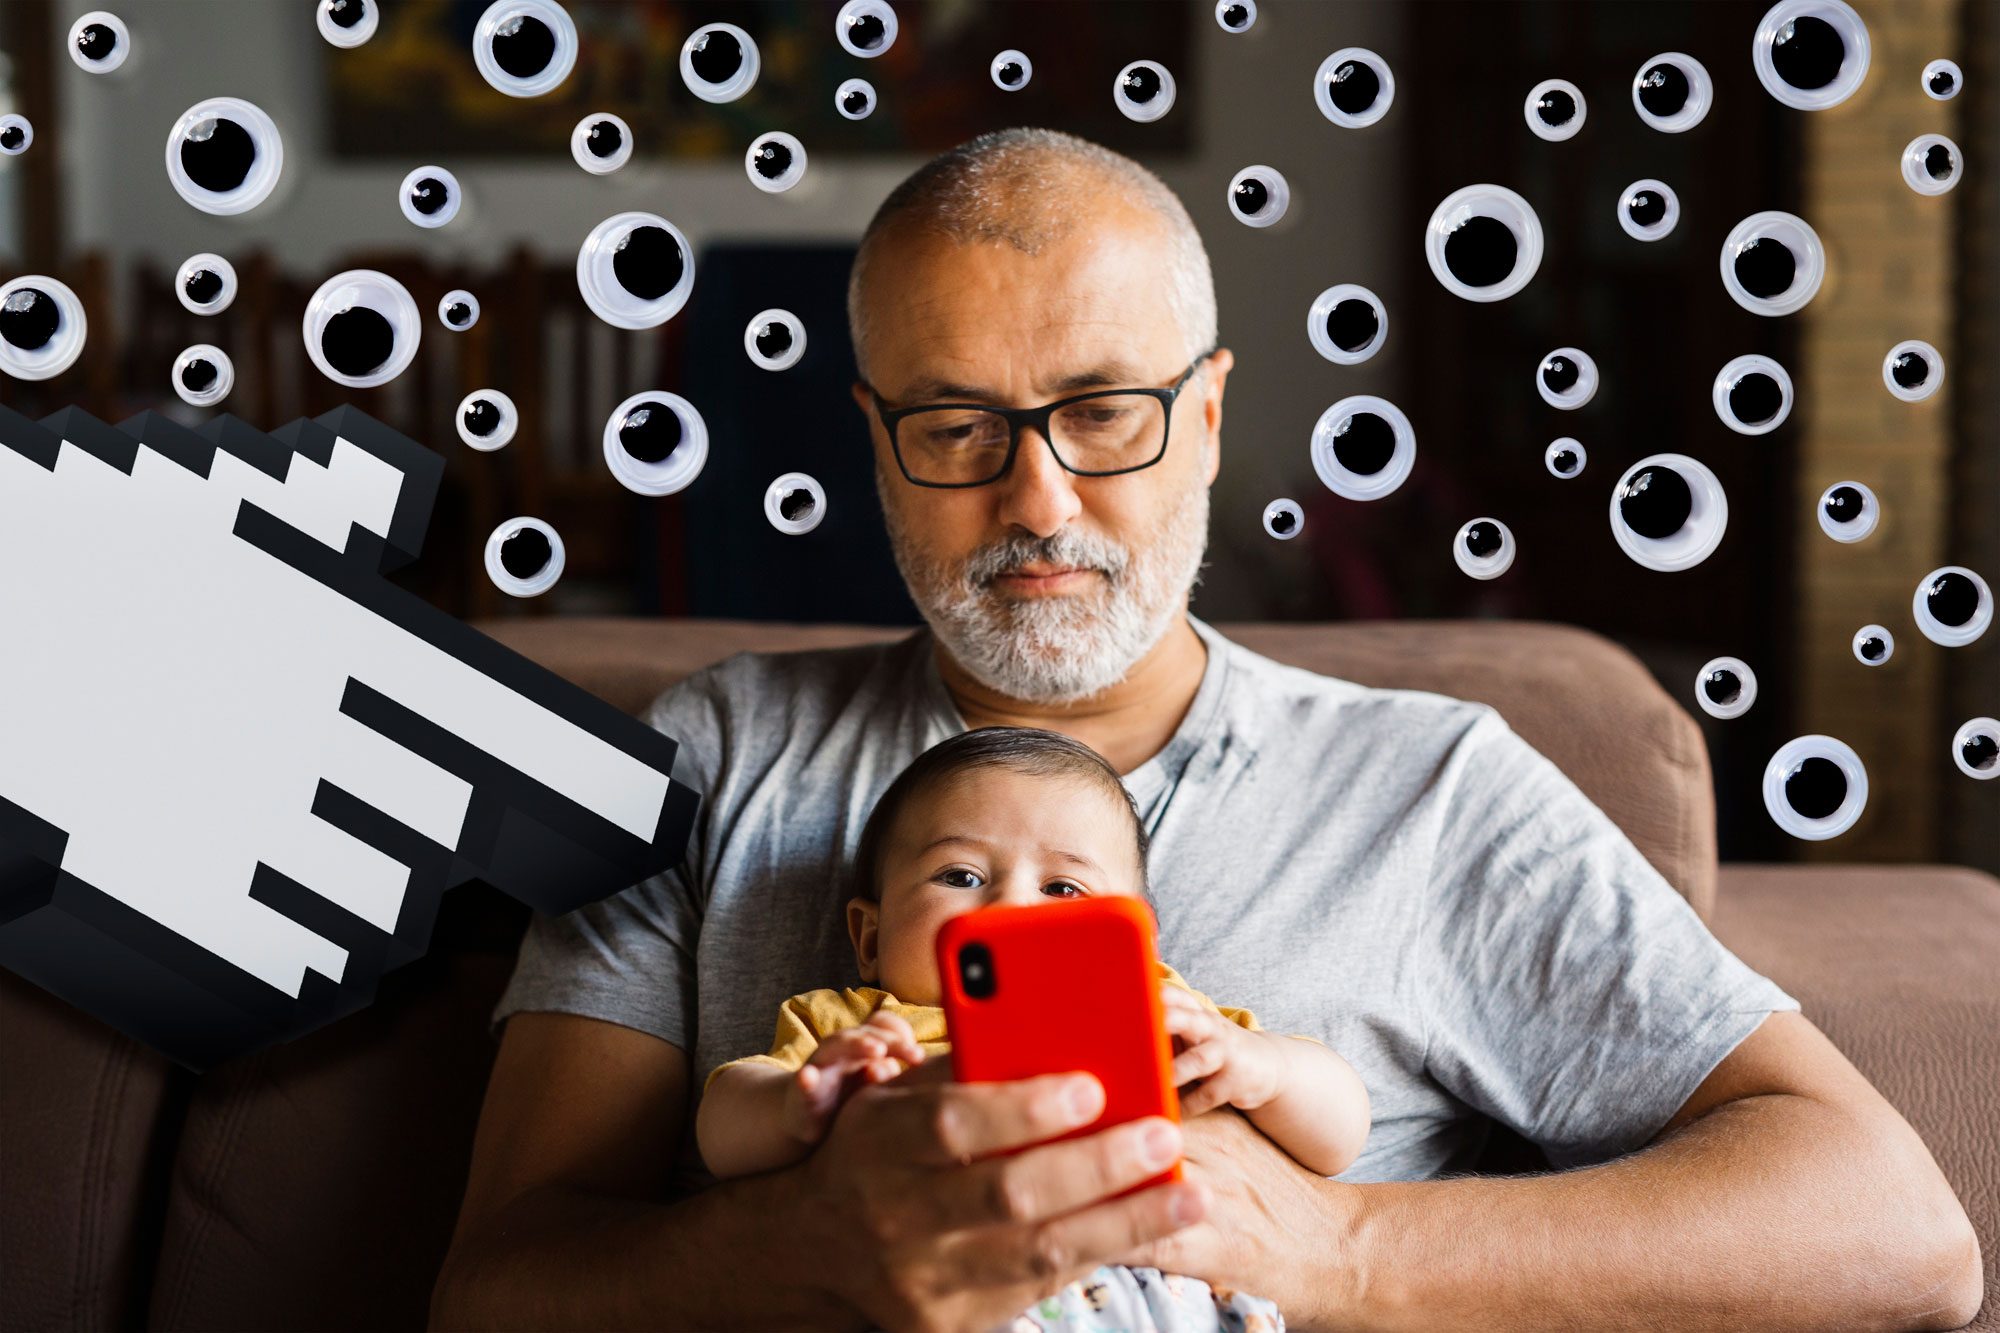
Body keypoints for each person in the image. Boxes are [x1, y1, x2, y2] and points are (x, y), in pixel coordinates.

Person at [432, 127, 1982, 1331]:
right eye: (956, 427)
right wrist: (804, 1249)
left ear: (1213, 413)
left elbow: (1897, 1230)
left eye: (1105, 411)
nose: (1037, 502)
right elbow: (494, 1295)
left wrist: (1335, 1248)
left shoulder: (1427, 789)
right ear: (873, 447)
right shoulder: (712, 758)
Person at [696, 726, 1370, 1332]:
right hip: (949, 1290)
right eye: (961, 875)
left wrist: (1268, 1067)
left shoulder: (1163, 1008)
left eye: (1064, 888)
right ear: (870, 937)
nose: (1012, 905)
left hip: (1166, 1288)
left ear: (1137, 938)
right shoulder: (860, 1025)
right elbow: (722, 1130)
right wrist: (797, 1102)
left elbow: (1341, 1132)